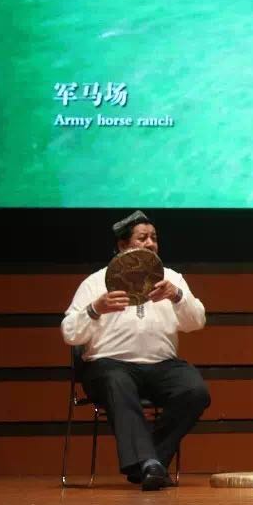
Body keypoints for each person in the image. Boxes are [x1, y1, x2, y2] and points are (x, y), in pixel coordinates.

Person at [60, 210, 209, 490]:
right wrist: (95, 309)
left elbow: (197, 321)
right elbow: (69, 333)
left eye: (154, 238)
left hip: (161, 365)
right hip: (108, 365)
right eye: (142, 238)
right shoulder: (96, 282)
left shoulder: (171, 279)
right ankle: (150, 462)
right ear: (122, 245)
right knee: (117, 381)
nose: (150, 243)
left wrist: (177, 296)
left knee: (194, 390)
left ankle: (150, 462)